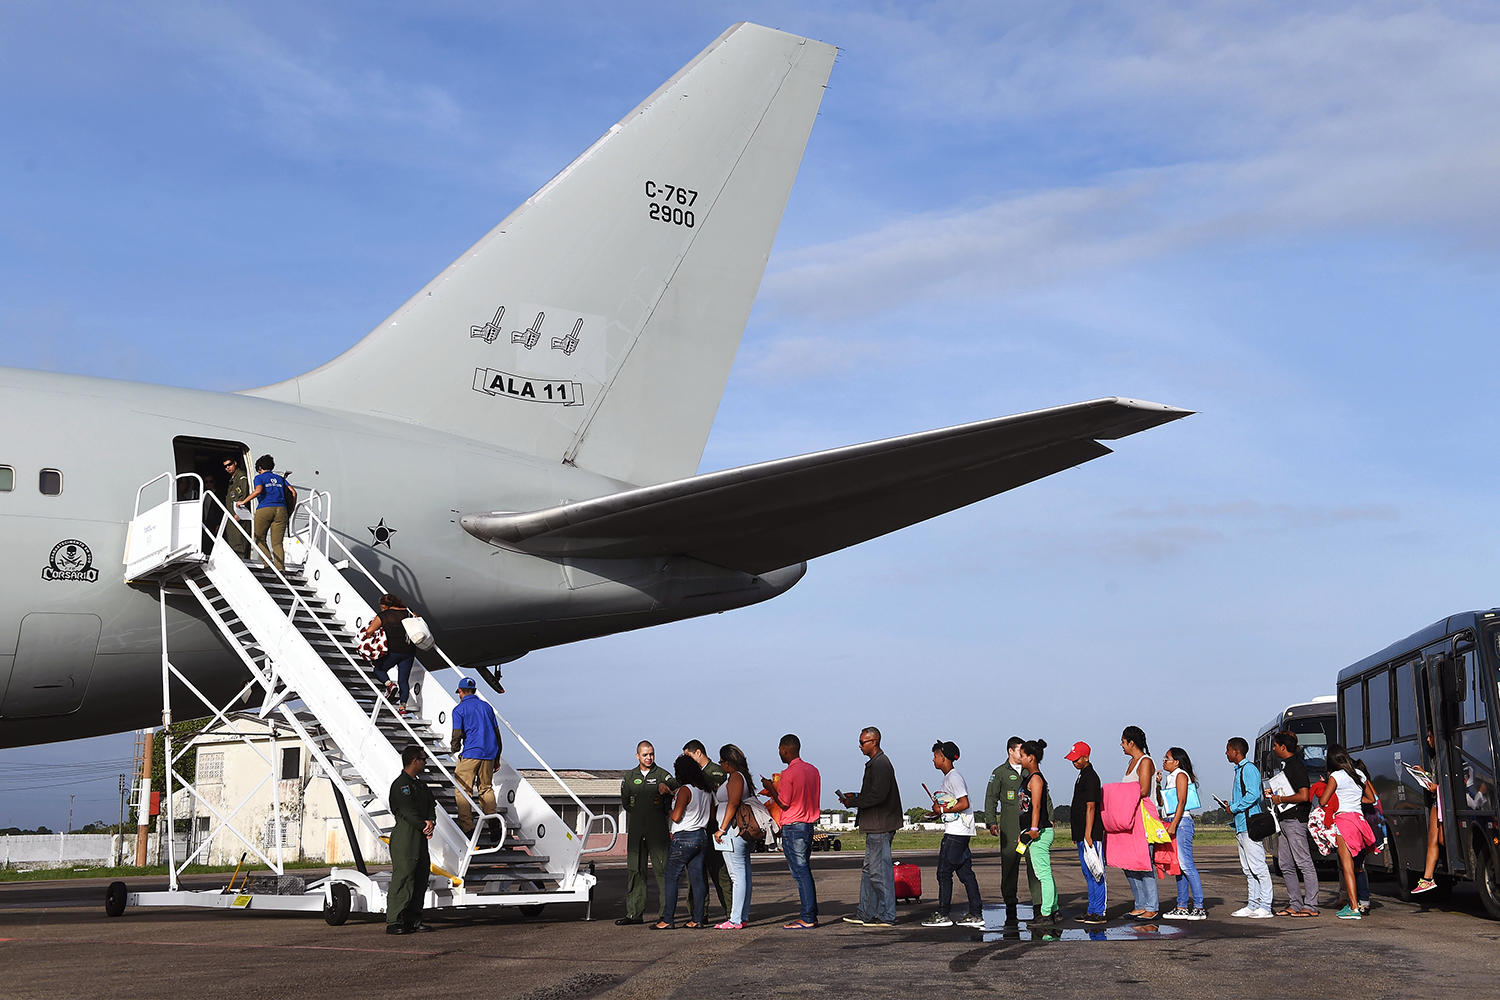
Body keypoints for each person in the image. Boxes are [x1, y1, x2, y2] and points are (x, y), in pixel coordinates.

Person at [840, 726, 902, 928]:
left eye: (862, 742)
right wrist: (855, 796)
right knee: (869, 871)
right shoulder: (875, 764)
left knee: (879, 872)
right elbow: (875, 793)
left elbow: (878, 796)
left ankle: (886, 915)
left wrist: (854, 803)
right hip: (874, 825)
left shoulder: (880, 764)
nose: (860, 746)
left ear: (874, 741)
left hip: (880, 826)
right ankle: (865, 912)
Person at [759, 734, 821, 929]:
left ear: (785, 750)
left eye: (780, 750)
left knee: (800, 872)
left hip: (793, 827)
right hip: (808, 825)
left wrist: (770, 787)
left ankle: (808, 916)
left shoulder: (788, 773)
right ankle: (810, 914)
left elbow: (784, 802)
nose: (779, 754)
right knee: (804, 870)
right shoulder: (813, 770)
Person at [920, 740, 984, 929]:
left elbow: (964, 803)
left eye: (935, 756)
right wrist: (938, 812)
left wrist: (941, 810)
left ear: (943, 757)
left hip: (956, 833)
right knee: (965, 874)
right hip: (961, 832)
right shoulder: (949, 778)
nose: (933, 759)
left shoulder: (953, 778)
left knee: (943, 873)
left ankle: (943, 913)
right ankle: (976, 913)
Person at [984, 736, 1043, 924]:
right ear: (1011, 751)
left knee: (1034, 867)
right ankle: (1010, 904)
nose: (1023, 754)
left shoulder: (1031, 772)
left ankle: (1038, 905)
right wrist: (991, 821)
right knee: (1009, 868)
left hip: (1029, 828)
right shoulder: (1000, 773)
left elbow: (1043, 797)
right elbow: (991, 798)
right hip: (1010, 829)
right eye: (1020, 750)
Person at [654, 755, 714, 929]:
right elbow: (710, 816)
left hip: (684, 837)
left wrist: (669, 806)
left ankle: (667, 920)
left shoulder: (685, 790)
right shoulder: (706, 790)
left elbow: (676, 816)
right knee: (697, 880)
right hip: (701, 836)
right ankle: (697, 918)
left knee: (671, 877)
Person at [616, 741, 673, 926]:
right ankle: (634, 913)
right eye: (645, 755)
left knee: (663, 871)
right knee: (635, 870)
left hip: (657, 830)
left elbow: (674, 792)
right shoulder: (630, 777)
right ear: (637, 756)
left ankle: (666, 914)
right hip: (636, 830)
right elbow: (626, 802)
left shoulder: (663, 775)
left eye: (652, 754)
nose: (649, 758)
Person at [1318, 744, 1378, 920]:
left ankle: (1353, 907)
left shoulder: (1335, 777)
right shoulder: (1359, 774)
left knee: (1347, 867)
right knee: (1357, 865)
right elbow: (1371, 798)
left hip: (1343, 821)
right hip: (1359, 821)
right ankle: (1360, 902)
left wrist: (1325, 784)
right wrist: (1354, 800)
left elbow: (1323, 801)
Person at [1267, 732, 1319, 916]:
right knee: (1285, 864)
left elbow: (1304, 796)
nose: (1273, 749)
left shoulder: (1297, 766)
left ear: (1283, 747)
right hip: (1284, 820)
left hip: (1296, 819)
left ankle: (1311, 905)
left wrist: (1280, 798)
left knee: (1304, 862)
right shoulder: (1287, 767)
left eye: (1275, 745)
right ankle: (1295, 903)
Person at [386, 744, 436, 935]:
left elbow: (431, 804)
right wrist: (424, 825)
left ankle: (413, 920)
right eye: (424, 759)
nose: (425, 763)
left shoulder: (420, 785)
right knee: (404, 877)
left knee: (420, 877)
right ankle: (394, 920)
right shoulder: (401, 785)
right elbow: (407, 811)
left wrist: (431, 821)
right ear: (415, 760)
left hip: (420, 837)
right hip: (406, 837)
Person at [684, 739, 734, 918]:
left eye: (688, 756)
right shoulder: (691, 775)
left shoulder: (716, 772)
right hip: (696, 829)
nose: (686, 760)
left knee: (719, 872)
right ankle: (698, 913)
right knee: (695, 875)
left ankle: (731, 911)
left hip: (713, 828)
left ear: (698, 753)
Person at [1225, 736, 1273, 917]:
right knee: (1248, 868)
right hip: (1241, 825)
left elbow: (1253, 795)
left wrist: (1234, 807)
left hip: (1250, 825)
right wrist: (1230, 805)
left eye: (1228, 749)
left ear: (1236, 751)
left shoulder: (1248, 769)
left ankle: (1266, 905)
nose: (1226, 753)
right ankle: (1253, 904)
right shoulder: (1240, 770)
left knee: (1258, 867)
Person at [449, 677, 501, 836]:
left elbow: (457, 733)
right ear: (475, 690)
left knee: (463, 790)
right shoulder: (487, 707)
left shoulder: (459, 709)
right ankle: (493, 823)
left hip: (471, 752)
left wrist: (454, 748)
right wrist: (497, 756)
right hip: (489, 752)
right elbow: (497, 733)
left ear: (460, 691)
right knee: (486, 788)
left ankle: (468, 828)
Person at [1158, 747, 1206, 920]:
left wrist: (1174, 824)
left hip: (1181, 822)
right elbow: (1162, 802)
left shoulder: (1181, 775)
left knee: (1187, 865)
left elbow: (1182, 801)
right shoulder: (1171, 777)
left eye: (1167, 758)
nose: (1164, 760)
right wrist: (1158, 784)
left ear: (1176, 761)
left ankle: (1199, 907)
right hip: (1172, 820)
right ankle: (1182, 905)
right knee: (1178, 866)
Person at [712, 743, 755, 929]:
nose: (720, 765)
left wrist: (721, 829)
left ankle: (735, 918)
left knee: (736, 876)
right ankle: (741, 917)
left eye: (721, 761)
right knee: (743, 875)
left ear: (728, 762)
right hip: (737, 832)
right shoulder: (742, 776)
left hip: (732, 831)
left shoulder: (736, 777)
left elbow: (733, 803)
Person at [1065, 741, 1107, 924]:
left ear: (1086, 758)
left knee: (1097, 872)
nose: (1074, 762)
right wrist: (1078, 835)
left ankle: (1100, 911)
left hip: (1091, 834)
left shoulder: (1091, 777)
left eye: (1076, 759)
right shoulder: (1081, 776)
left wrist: (1088, 833)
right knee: (1087, 872)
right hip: (1081, 834)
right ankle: (1091, 909)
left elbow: (1091, 807)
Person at [1120, 726, 1159, 919]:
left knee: (1144, 865)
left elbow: (1143, 790)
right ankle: (1140, 904)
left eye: (1123, 741)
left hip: (1143, 820)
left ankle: (1151, 906)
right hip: (1129, 819)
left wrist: (1118, 793)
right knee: (1128, 864)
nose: (1121, 745)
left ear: (1131, 742)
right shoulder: (1131, 762)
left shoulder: (1145, 761)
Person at [1016, 739, 1057, 925]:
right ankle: (1054, 909)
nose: (1020, 758)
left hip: (1040, 831)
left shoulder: (1036, 779)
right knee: (1044, 873)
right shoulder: (1028, 778)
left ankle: (1046, 913)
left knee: (1043, 874)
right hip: (1032, 831)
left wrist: (1033, 830)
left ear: (1031, 757)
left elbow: (1037, 806)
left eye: (1022, 755)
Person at [235, 454, 296, 573]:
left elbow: (258, 490)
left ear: (259, 468)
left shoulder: (260, 477)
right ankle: (281, 569)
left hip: (265, 508)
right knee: (277, 543)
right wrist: (291, 509)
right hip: (281, 510)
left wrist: (243, 502)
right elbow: (293, 492)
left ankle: (268, 565)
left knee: (259, 538)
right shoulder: (280, 479)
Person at [361, 594, 416, 712]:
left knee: (378, 669)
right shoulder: (408, 611)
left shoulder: (384, 616)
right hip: (409, 651)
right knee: (403, 680)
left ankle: (390, 685)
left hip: (393, 651)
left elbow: (369, 631)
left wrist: (369, 635)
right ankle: (402, 708)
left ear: (384, 606)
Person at [1414, 728, 1446, 895]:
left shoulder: (1446, 756)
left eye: (1430, 736)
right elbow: (1437, 777)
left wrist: (1437, 788)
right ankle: (1427, 879)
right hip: (1437, 801)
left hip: (1442, 800)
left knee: (1441, 839)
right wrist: (1424, 773)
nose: (1427, 739)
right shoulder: (1436, 758)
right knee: (1432, 838)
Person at [220, 456, 252, 558]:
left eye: (229, 464)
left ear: (235, 463)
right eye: (225, 466)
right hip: (231, 517)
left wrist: (239, 513)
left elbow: (243, 496)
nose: (228, 468)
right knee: (232, 541)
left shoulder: (241, 477)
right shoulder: (232, 479)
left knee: (239, 543)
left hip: (238, 516)